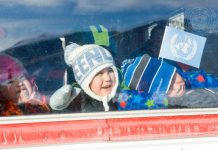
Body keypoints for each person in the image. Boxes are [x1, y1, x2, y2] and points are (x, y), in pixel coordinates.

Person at [118, 54, 218, 110]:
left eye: (173, 77)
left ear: (174, 69)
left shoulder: (197, 79)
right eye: (167, 88)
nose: (176, 87)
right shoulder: (153, 101)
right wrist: (173, 100)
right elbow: (123, 99)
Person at [49, 40, 119, 112]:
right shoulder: (77, 104)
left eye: (110, 71)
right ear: (86, 81)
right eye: (99, 73)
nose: (107, 78)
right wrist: (59, 107)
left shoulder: (123, 98)